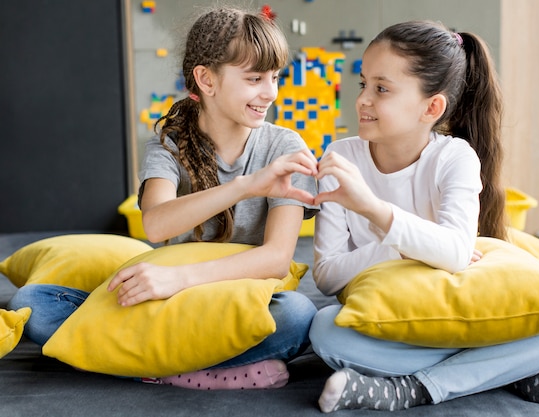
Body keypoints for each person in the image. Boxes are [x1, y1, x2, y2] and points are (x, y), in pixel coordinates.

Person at [9, 6, 319, 390]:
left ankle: (166, 370)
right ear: (206, 79)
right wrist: (245, 186)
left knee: (298, 315)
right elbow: (155, 223)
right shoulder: (169, 145)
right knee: (35, 303)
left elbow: (276, 260)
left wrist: (177, 277)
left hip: (231, 301)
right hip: (172, 307)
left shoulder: (284, 146)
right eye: (255, 78)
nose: (270, 92)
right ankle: (199, 370)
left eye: (274, 77)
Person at [308, 20, 539, 412]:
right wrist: (409, 251)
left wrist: (372, 208)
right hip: (395, 318)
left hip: (459, 313)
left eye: (381, 89)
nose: (363, 99)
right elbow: (328, 276)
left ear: (432, 107)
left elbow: (452, 254)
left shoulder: (455, 158)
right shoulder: (343, 157)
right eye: (363, 83)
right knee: (326, 331)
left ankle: (414, 389)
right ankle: (512, 369)